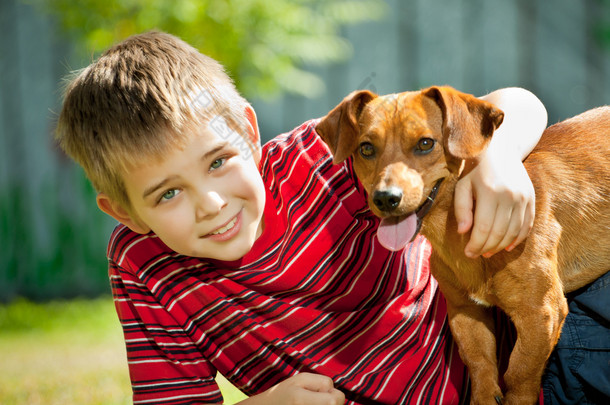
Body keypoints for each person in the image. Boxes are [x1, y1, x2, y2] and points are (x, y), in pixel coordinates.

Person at [56, 31, 548, 404]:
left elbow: (516, 104)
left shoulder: (323, 159)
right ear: (124, 212)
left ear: (249, 131)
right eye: (167, 194)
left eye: (218, 162)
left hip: (501, 369)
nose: (211, 203)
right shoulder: (142, 266)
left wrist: (497, 158)